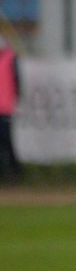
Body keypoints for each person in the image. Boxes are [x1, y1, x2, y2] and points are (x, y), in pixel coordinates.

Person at [0, 32, 21, 184]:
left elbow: (17, 81)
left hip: (6, 108)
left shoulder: (10, 58)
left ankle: (15, 173)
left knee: (7, 142)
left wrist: (17, 99)